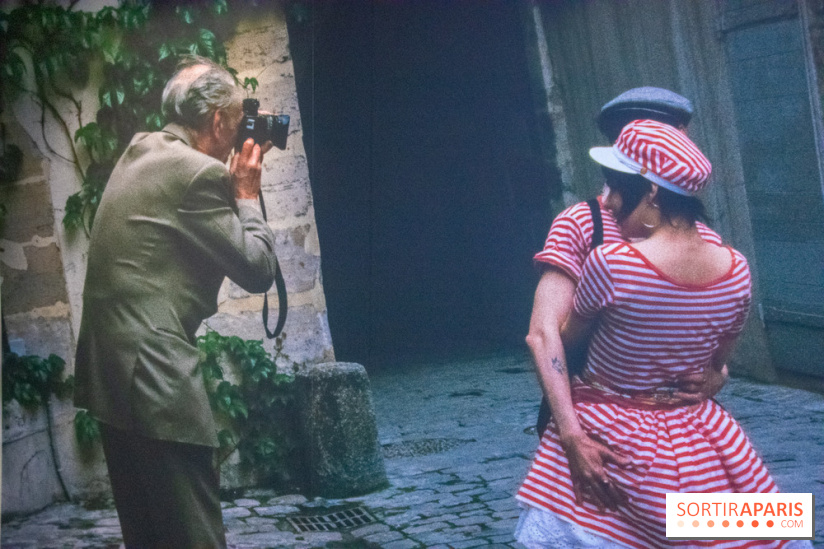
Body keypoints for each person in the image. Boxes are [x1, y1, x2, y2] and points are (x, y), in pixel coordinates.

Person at [515, 119, 811, 548]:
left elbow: (562, 338)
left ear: (652, 191)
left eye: (618, 187)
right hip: (705, 437)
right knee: (746, 531)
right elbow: (715, 365)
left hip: (611, 431)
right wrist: (714, 377)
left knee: (605, 529)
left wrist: (572, 433)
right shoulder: (736, 269)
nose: (610, 201)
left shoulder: (611, 262)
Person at [74, 56, 277, 548]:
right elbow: (257, 269)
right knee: (193, 537)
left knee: (147, 536)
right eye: (236, 118)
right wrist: (246, 195)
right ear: (217, 122)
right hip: (155, 381)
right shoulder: (198, 175)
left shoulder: (142, 150)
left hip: (110, 375)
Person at [530, 87, 727, 438]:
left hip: (684, 424)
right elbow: (545, 337)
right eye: (670, 136)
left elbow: (713, 330)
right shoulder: (582, 223)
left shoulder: (704, 238)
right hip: (596, 422)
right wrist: (572, 434)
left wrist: (717, 374)